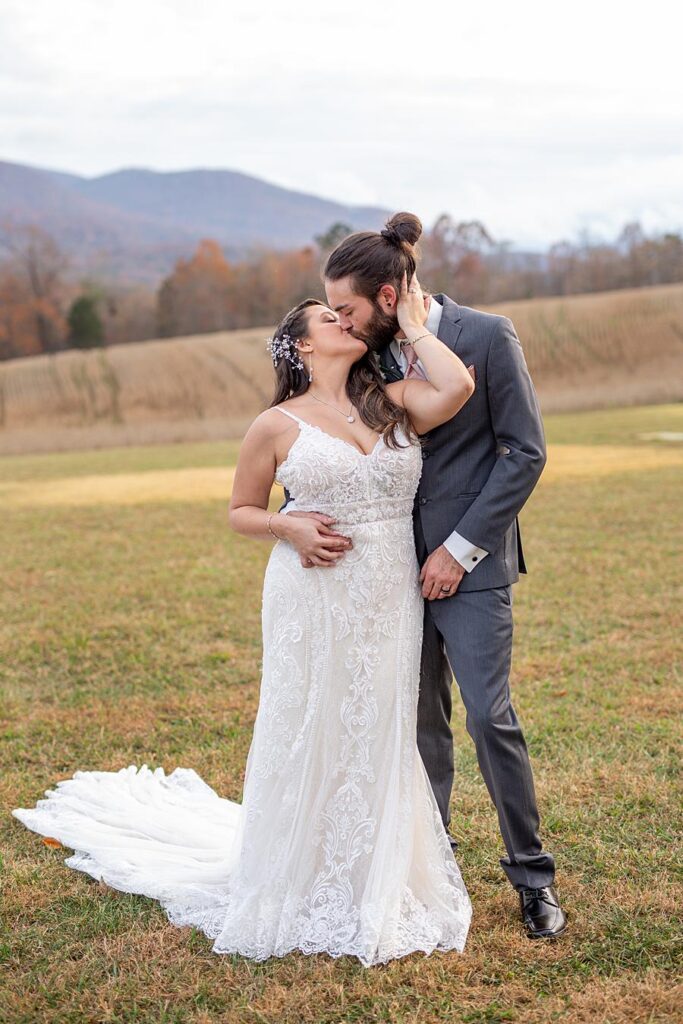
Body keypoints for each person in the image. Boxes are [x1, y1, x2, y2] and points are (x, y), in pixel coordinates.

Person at [12, 270, 476, 967]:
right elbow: (239, 511)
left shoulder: (388, 403)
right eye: (327, 320)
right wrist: (287, 529)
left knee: (377, 720)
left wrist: (411, 325)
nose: (344, 324)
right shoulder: (274, 425)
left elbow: (457, 388)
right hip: (311, 592)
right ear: (299, 347)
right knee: (312, 719)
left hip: (387, 592)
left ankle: (371, 874)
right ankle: (299, 872)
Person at [281, 211, 567, 940]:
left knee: (486, 717)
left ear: (385, 296)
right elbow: (331, 442)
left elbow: (522, 453)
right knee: (415, 729)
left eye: (345, 306)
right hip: (383, 577)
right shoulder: (365, 355)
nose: (338, 321)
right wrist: (297, 516)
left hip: (468, 569)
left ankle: (531, 879)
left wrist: (459, 549)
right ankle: (425, 874)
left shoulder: (485, 335)